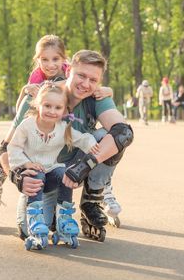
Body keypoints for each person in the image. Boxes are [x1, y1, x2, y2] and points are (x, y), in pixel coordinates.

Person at [0, 35, 115, 231]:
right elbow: (12, 134)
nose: (50, 65)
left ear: (65, 61)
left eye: (55, 59)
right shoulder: (36, 83)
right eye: (44, 59)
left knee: (104, 141)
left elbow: (90, 78)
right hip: (37, 156)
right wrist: (17, 176)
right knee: (14, 149)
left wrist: (107, 90)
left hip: (66, 155)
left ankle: (98, 196)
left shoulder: (78, 77)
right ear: (37, 59)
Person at [9, 50, 134, 242]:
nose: (86, 84)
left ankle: (92, 199)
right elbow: (6, 148)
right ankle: (50, 209)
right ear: (69, 71)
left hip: (76, 170)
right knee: (29, 230)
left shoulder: (97, 98)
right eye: (81, 76)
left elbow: (124, 132)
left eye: (93, 80)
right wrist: (17, 176)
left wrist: (83, 168)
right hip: (41, 175)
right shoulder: (41, 96)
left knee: (107, 136)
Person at [8, 84, 99, 250]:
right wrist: (25, 164)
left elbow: (82, 139)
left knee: (65, 173)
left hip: (52, 171)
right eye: (47, 106)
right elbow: (13, 148)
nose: (52, 111)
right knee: (37, 174)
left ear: (64, 110)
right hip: (33, 174)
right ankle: (35, 219)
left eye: (57, 107)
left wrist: (92, 144)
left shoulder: (63, 128)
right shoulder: (27, 125)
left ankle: (64, 219)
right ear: (38, 104)